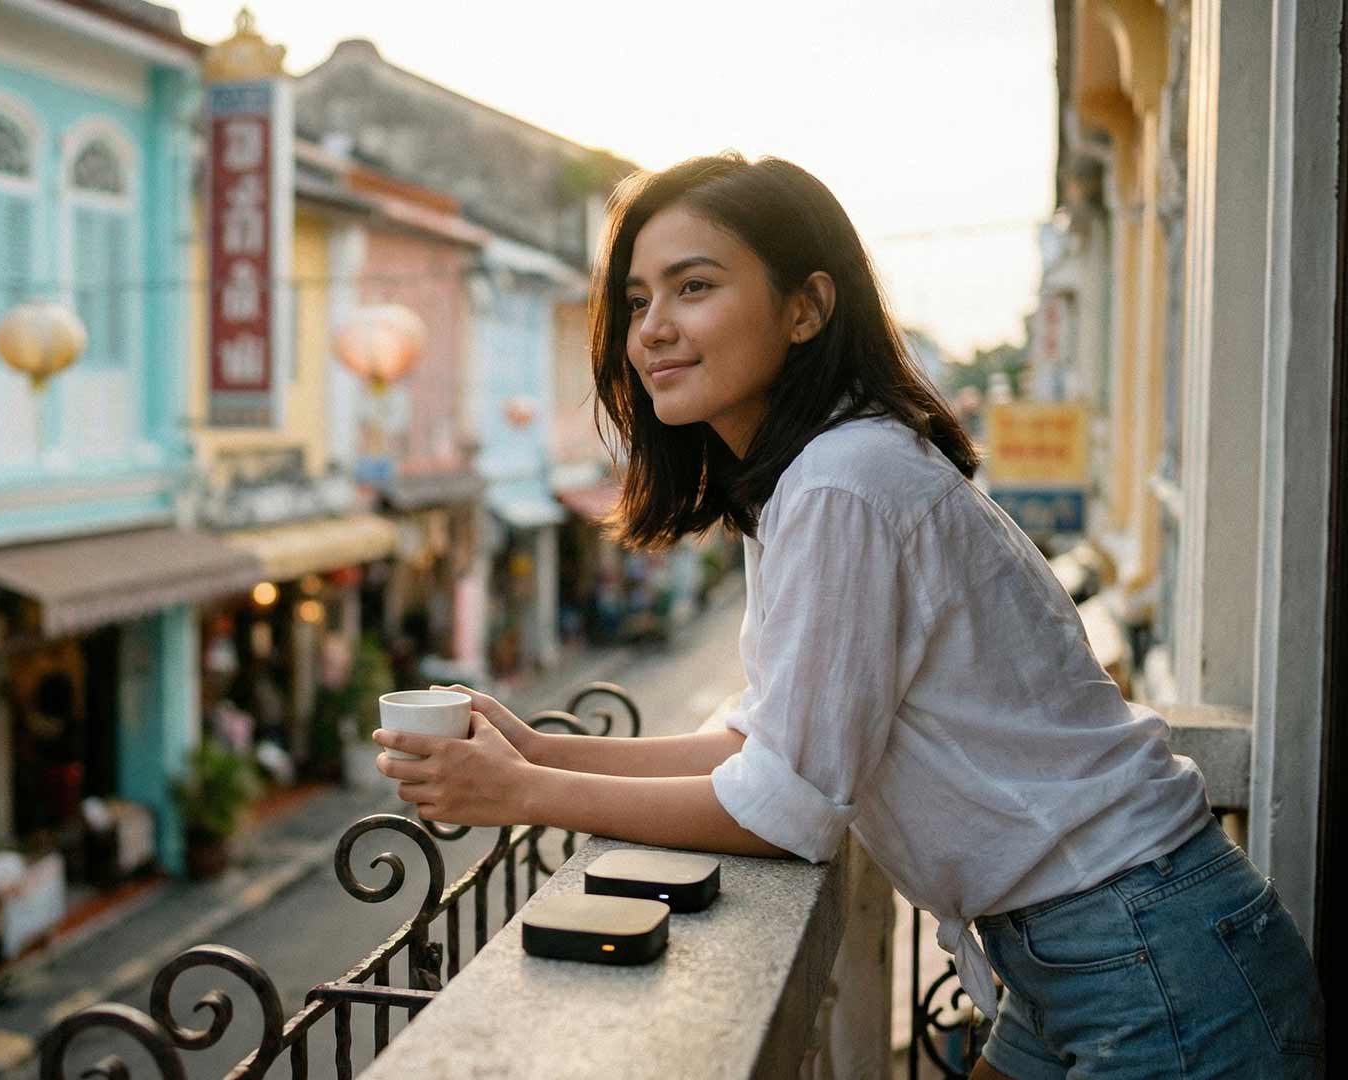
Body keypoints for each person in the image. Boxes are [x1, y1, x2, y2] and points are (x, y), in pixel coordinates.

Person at [373, 153, 1324, 1079]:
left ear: (806, 308)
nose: (652, 329)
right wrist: (539, 750)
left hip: (1146, 956)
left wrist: (523, 794)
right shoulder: (807, 477)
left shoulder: (843, 480)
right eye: (635, 300)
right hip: (1094, 944)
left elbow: (786, 809)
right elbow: (764, 743)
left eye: (693, 287)